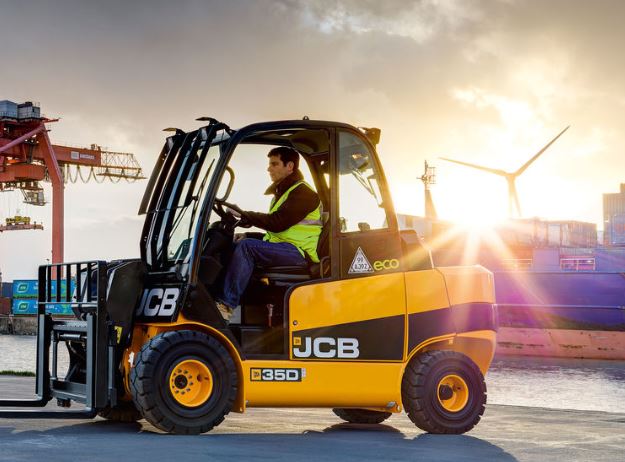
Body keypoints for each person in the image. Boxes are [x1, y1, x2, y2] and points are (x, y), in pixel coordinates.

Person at [216, 146, 322, 321]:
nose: (269, 169)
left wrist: (245, 214)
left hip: (299, 252)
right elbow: (276, 233)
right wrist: (249, 235)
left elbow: (277, 223)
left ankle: (225, 306)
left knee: (247, 248)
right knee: (236, 245)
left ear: (290, 166)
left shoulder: (303, 193)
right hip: (285, 248)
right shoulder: (283, 193)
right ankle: (227, 303)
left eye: (274, 164)